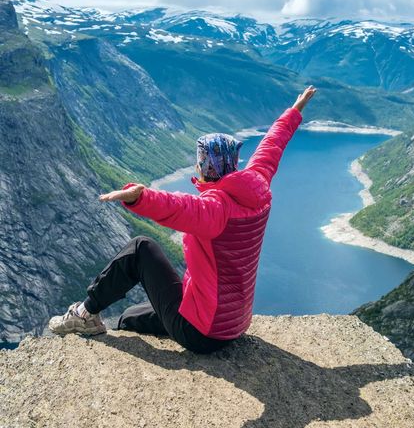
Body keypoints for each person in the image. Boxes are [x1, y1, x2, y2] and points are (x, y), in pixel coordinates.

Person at [49, 86, 317, 353]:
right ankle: (109, 323)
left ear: (206, 166)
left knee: (141, 249)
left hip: (202, 332)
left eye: (200, 161)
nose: (196, 166)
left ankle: (83, 315)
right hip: (234, 323)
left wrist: (138, 197)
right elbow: (272, 145)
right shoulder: (258, 186)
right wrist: (295, 110)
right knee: (129, 317)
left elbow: (175, 206)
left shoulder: (215, 209)